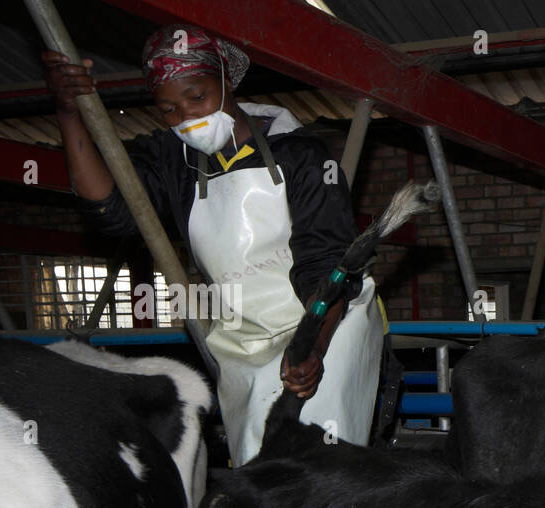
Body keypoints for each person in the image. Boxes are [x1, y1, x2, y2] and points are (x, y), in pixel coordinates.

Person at [43, 23, 383, 466]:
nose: (187, 117)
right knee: (254, 462)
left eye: (197, 97)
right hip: (242, 338)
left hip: (327, 319)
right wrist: (70, 113)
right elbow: (110, 211)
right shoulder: (172, 160)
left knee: (318, 464)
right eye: (169, 109)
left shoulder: (302, 156)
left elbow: (325, 264)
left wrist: (313, 348)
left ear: (227, 80)